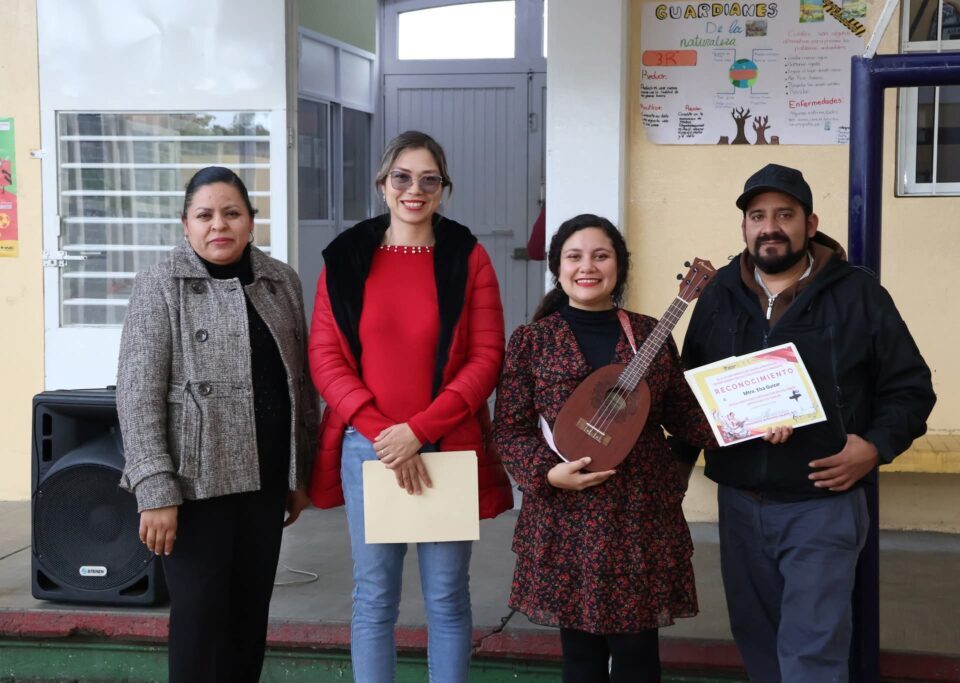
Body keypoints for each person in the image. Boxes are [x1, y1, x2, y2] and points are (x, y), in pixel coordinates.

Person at [493, 214, 791, 682]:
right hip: (566, 517)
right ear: (557, 267)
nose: (587, 267)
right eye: (574, 257)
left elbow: (685, 414)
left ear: (620, 266)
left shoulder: (650, 333)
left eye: (601, 256)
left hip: (637, 516)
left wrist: (755, 420)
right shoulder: (533, 341)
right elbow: (510, 429)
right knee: (580, 656)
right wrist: (547, 474)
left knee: (637, 655)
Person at [674, 163, 936, 682]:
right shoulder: (718, 293)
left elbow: (910, 388)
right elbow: (689, 392)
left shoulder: (858, 294)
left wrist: (874, 447)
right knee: (758, 643)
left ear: (810, 224)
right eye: (757, 216)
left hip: (823, 502)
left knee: (811, 654)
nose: (770, 227)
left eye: (785, 215)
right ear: (744, 227)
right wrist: (678, 468)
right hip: (740, 501)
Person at [307, 130, 513, 682]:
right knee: (375, 596)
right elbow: (325, 357)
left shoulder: (467, 256)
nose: (414, 190)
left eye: (429, 180)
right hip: (368, 449)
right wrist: (386, 435)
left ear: (443, 189)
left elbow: (486, 356)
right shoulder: (347, 257)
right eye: (402, 177)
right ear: (383, 184)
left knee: (447, 596)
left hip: (446, 445)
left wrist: (418, 432)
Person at [116, 166, 317, 683]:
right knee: (200, 624)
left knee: (249, 622)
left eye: (231, 213)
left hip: (265, 482)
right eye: (204, 215)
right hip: (192, 489)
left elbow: (299, 383)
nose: (218, 225)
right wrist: (155, 490)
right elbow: (137, 395)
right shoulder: (160, 286)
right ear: (185, 224)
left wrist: (299, 473)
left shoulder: (281, 281)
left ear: (251, 221)